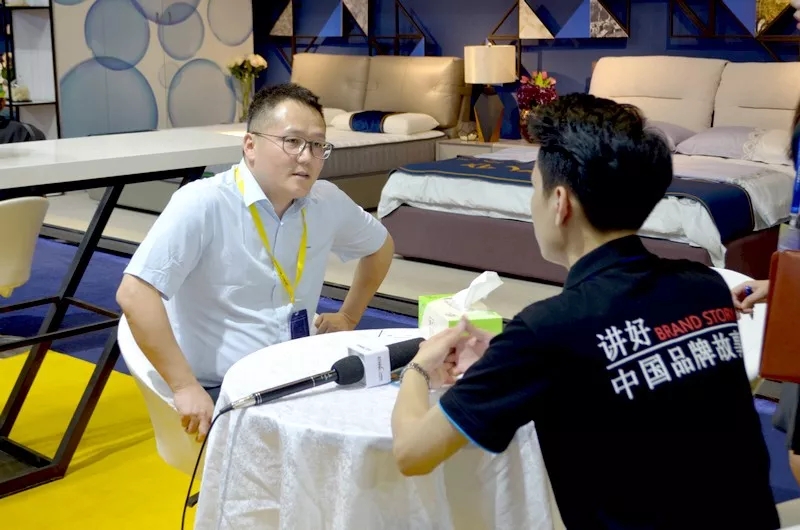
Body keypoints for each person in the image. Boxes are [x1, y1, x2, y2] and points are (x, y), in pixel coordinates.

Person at [391, 93, 780, 529]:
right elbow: (626, 367)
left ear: (560, 202)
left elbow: (411, 454)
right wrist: (507, 353)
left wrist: (419, 367)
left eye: (534, 188)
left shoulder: (547, 330)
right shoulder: (705, 286)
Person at [117, 83, 394, 441]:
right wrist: (184, 386)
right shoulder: (204, 202)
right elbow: (135, 293)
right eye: (292, 141)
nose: (307, 157)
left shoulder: (325, 201)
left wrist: (349, 316)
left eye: (317, 145)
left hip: (301, 377)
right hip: (226, 390)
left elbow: (380, 246)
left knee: (391, 421)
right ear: (250, 145)